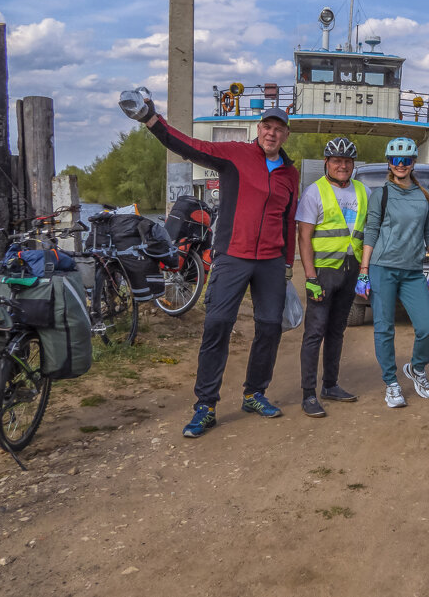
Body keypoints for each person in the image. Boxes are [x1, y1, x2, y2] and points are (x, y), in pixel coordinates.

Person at [120, 93, 299, 438]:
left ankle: (254, 393)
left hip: (272, 262)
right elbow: (189, 146)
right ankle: (205, 405)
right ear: (258, 128)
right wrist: (151, 120)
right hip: (232, 255)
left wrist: (287, 262)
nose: (272, 133)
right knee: (217, 324)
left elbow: (289, 220)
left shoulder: (289, 174)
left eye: (279, 128)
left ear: (286, 135)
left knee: (269, 327)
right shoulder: (236, 155)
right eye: (267, 126)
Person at [357, 137, 429, 408]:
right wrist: (364, 271)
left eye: (406, 160)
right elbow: (371, 231)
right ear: (389, 162)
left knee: (427, 326)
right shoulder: (380, 194)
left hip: (413, 271)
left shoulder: (424, 196)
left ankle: (417, 369)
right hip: (383, 268)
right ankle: (391, 383)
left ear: (413, 162)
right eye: (396, 160)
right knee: (384, 328)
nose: (401, 164)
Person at [295, 136, 367, 417]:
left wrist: (365, 271)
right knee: (315, 332)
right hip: (324, 272)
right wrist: (310, 277)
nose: (342, 165)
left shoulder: (363, 192)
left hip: (351, 271)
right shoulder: (314, 192)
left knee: (337, 331)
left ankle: (331, 385)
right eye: (337, 160)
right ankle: (308, 394)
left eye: (347, 161)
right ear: (327, 162)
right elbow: (304, 237)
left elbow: (367, 233)